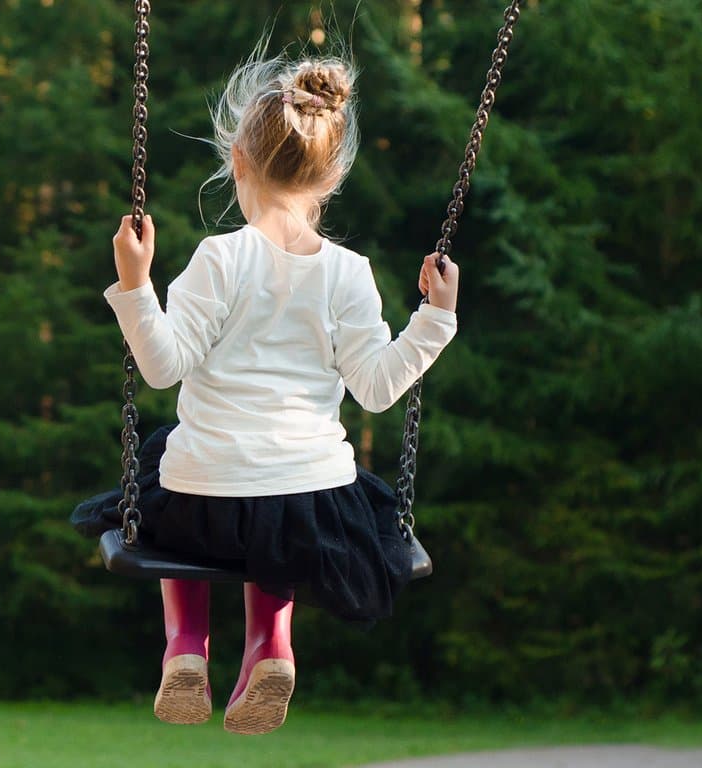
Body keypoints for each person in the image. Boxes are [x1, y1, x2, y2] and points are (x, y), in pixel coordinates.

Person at [71, 51, 460, 735]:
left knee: (169, 467)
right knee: (279, 511)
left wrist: (135, 285)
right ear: (332, 176)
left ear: (238, 164)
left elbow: (161, 366)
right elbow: (376, 389)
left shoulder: (219, 258)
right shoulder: (349, 273)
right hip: (309, 505)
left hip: (203, 502)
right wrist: (435, 319)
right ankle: (271, 647)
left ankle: (186, 646)